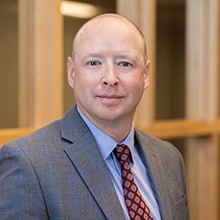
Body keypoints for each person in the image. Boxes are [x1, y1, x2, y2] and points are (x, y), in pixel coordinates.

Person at [0, 13, 189, 220]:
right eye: (93, 63)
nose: (110, 78)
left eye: (125, 64)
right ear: (72, 73)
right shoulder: (27, 163)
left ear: (145, 75)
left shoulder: (169, 158)